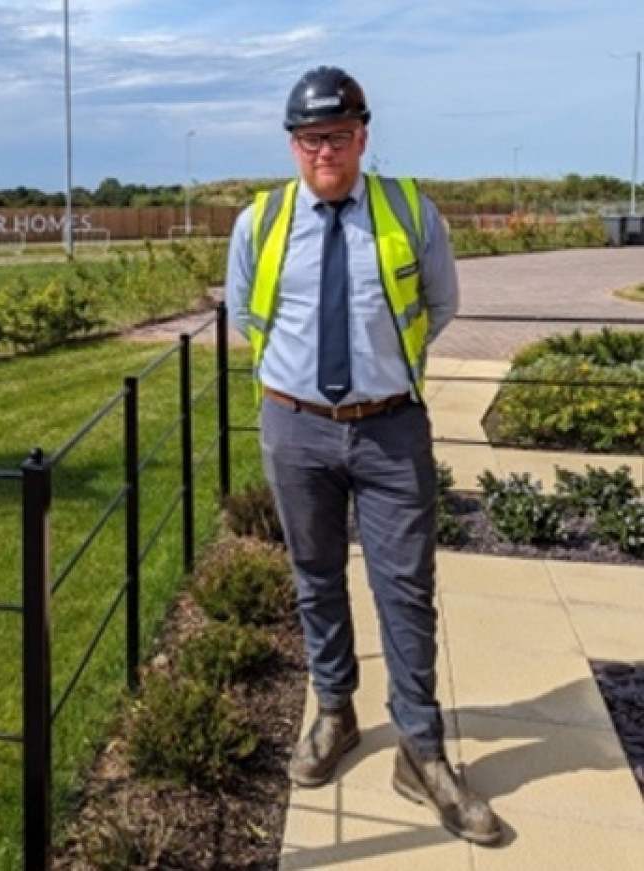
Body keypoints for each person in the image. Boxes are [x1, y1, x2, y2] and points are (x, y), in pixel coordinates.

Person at [226, 65, 502, 846]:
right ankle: (335, 711)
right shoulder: (260, 222)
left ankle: (421, 750)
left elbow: (441, 303)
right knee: (315, 578)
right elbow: (249, 313)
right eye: (312, 138)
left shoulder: (410, 210)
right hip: (295, 428)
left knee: (406, 590)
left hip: (390, 429)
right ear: (293, 144)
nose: (326, 150)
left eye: (339, 136)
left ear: (363, 137)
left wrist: (382, 374)